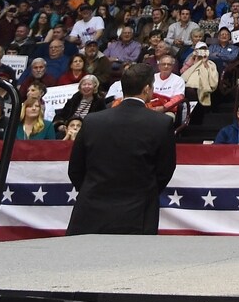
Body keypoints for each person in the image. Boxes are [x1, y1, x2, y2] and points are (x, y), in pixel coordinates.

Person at [66, 63, 177, 235]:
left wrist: (94, 191)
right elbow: (164, 171)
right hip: (138, 213)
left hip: (91, 208)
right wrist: (144, 192)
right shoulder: (161, 123)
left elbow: (75, 169)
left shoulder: (92, 121)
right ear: (147, 89)